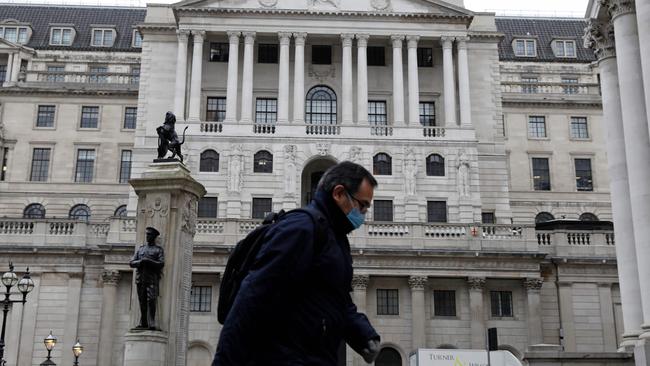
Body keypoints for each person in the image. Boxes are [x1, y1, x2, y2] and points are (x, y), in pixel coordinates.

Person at [213, 161, 381, 365]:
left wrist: (362, 333)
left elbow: (337, 300)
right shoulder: (301, 228)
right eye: (362, 205)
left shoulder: (336, 238)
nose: (363, 214)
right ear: (338, 193)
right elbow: (253, 296)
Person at [129, 226, 165, 330]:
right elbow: (131, 263)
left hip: (151, 279)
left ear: (154, 236)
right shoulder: (141, 249)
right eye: (147, 234)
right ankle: (143, 321)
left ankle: (152, 321)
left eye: (149, 235)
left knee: (152, 300)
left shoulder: (158, 250)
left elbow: (161, 263)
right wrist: (140, 262)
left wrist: (148, 261)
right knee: (142, 301)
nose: (147, 236)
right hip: (140, 279)